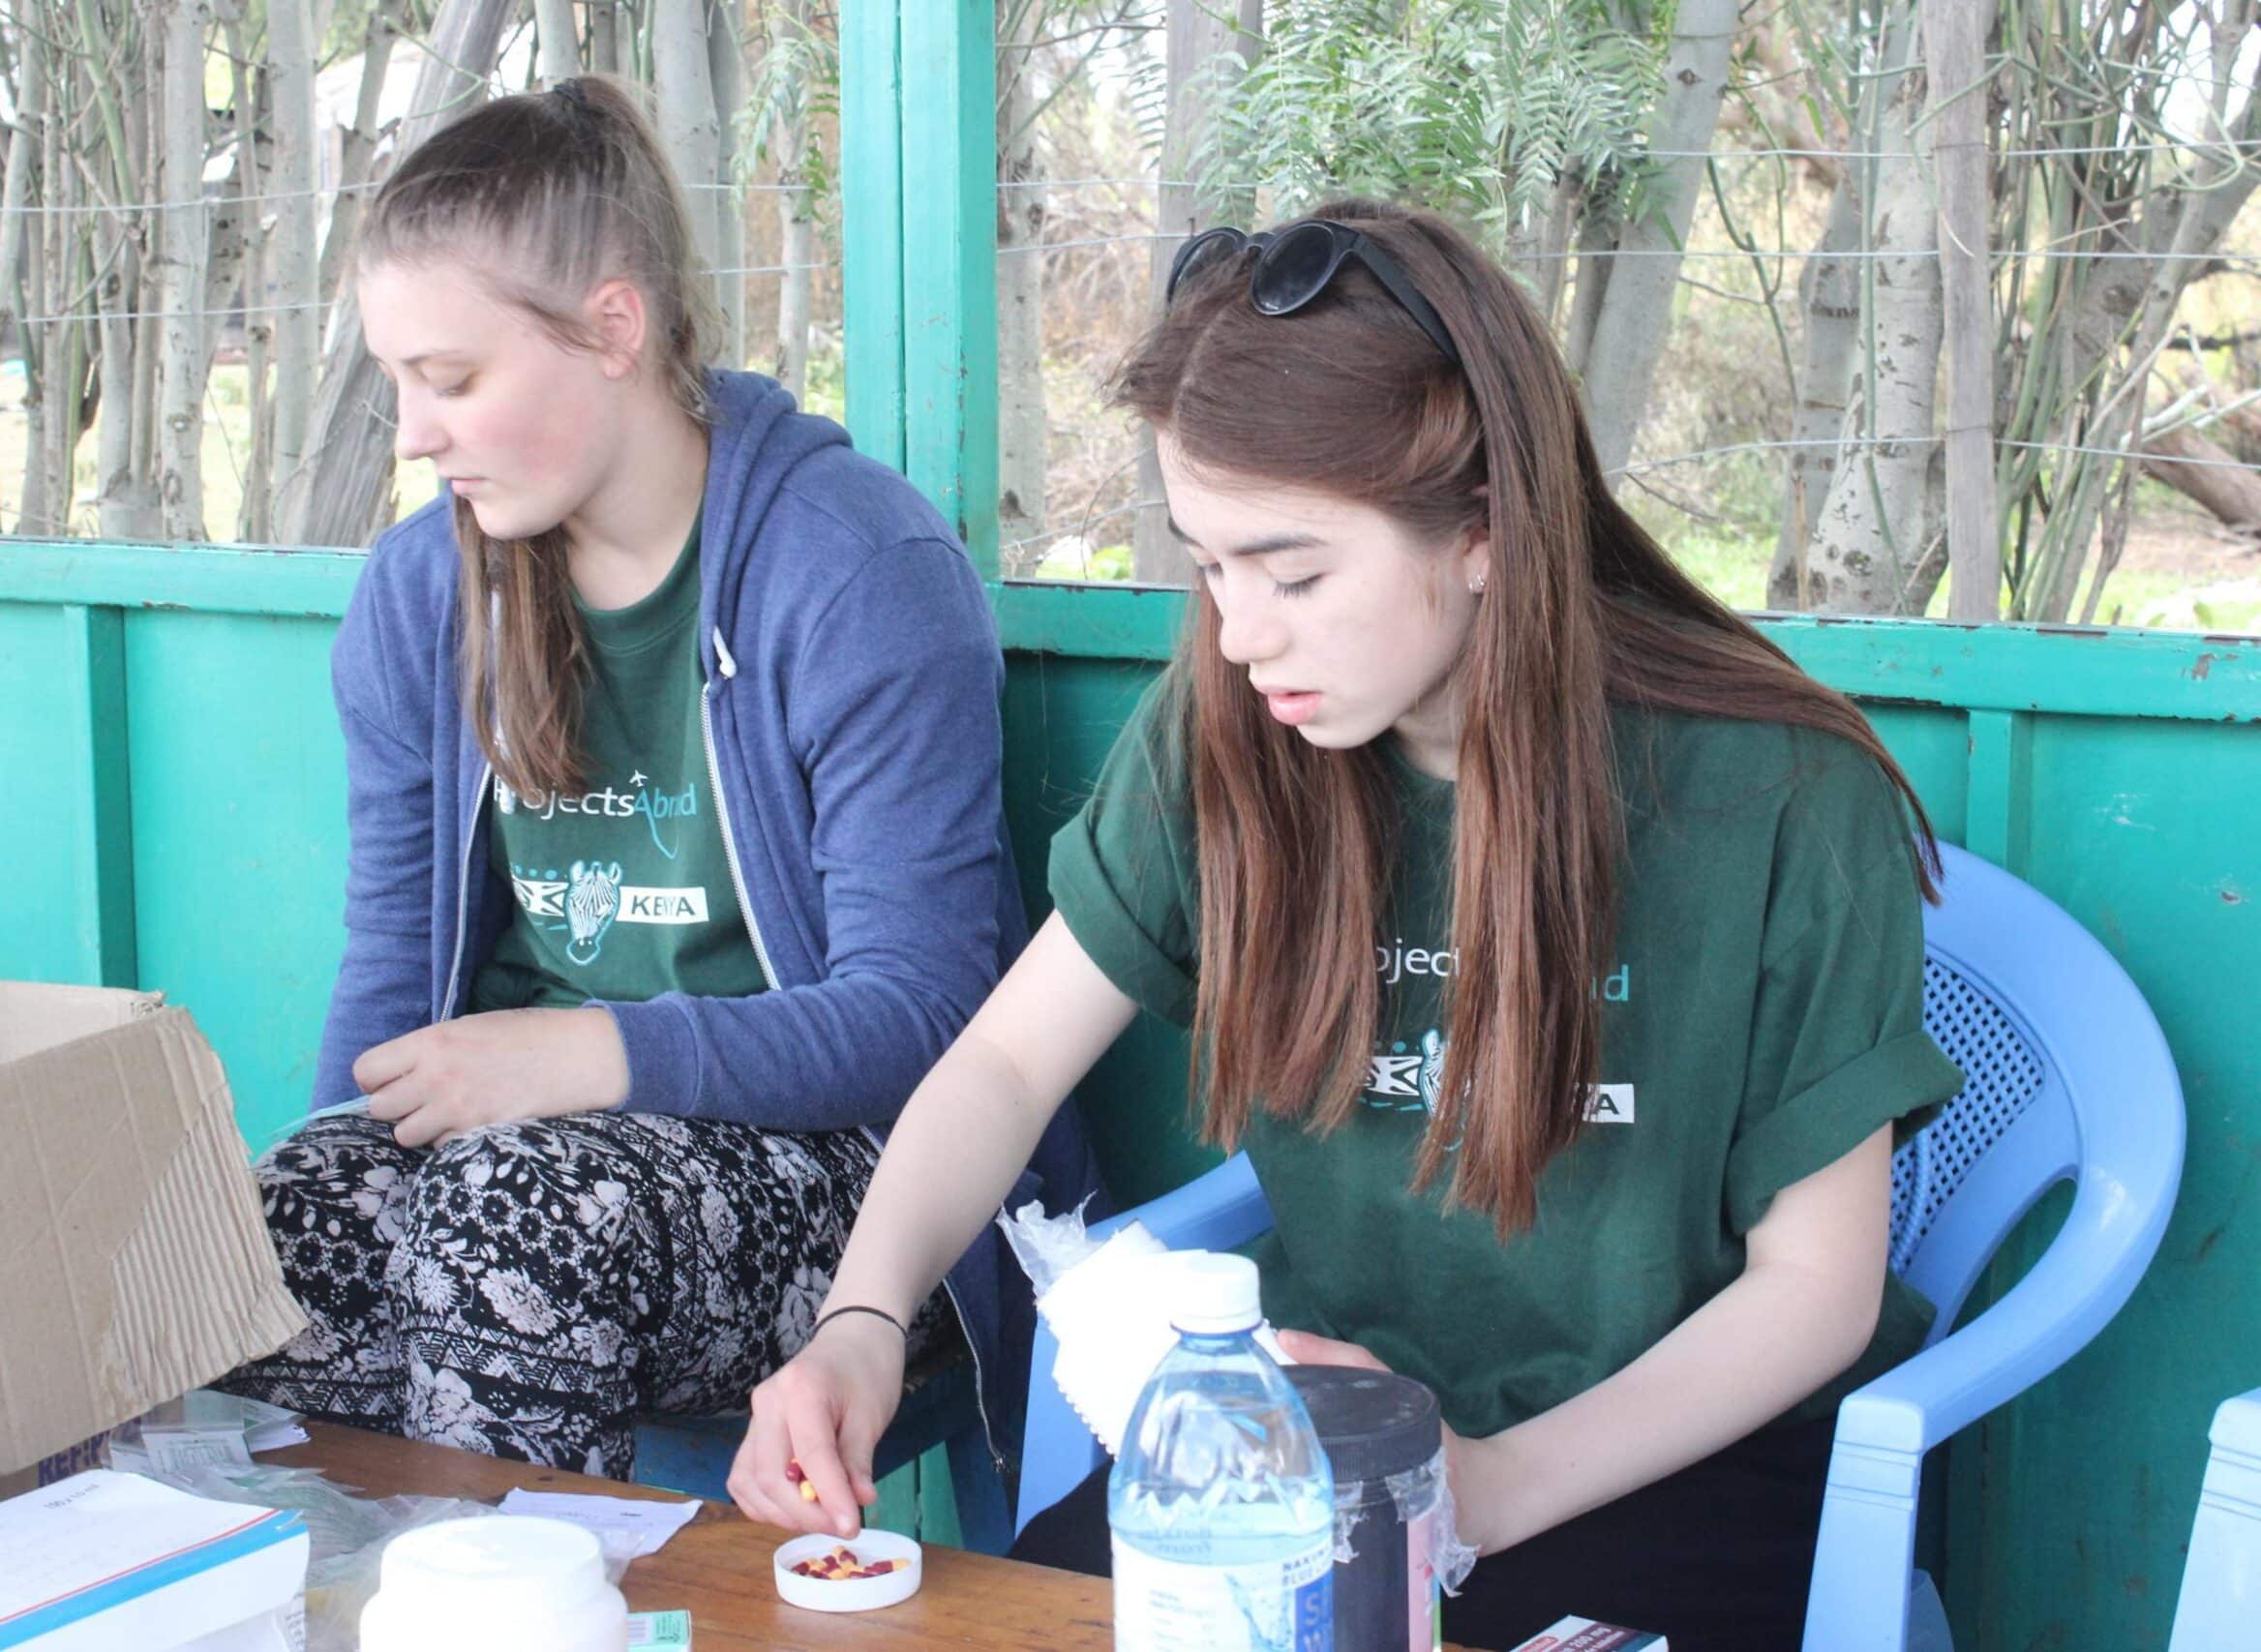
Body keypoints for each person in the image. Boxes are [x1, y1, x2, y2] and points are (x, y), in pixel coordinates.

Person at [727, 199, 1963, 1650]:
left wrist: (1489, 1487)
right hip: (1307, 1453)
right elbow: (1005, 1063)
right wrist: (861, 1321)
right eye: (1208, 564)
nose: (1244, 634)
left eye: (1296, 572)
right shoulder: (1230, 732)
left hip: (1677, 1467)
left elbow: (1815, 1292)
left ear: (1487, 527)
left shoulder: (1784, 797)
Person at [217, 75, 1096, 1482]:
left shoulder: (855, 571)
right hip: (523, 1151)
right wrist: (333, 1164)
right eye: (398, 382)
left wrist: (592, 1057)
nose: (413, 433)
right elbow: (390, 984)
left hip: (847, 1173)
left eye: (451, 380)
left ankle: (519, 1614)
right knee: (277, 1234)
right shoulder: (419, 595)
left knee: (519, 1215)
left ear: (612, 329)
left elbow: (927, 1014)